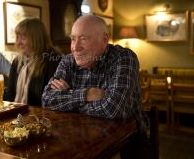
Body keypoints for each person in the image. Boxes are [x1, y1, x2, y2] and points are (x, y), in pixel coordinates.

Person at [42, 14, 152, 159]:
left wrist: (69, 98)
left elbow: (114, 109)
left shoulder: (124, 58)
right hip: (80, 138)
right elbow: (47, 100)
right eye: (73, 39)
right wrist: (87, 94)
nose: (75, 47)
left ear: (104, 39)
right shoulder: (68, 61)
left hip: (127, 140)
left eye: (83, 39)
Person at [4, 18, 62, 106]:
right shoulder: (17, 61)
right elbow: (10, 94)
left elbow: (53, 99)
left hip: (41, 117)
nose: (18, 43)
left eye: (23, 38)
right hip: (17, 114)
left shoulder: (53, 60)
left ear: (36, 38)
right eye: (17, 37)